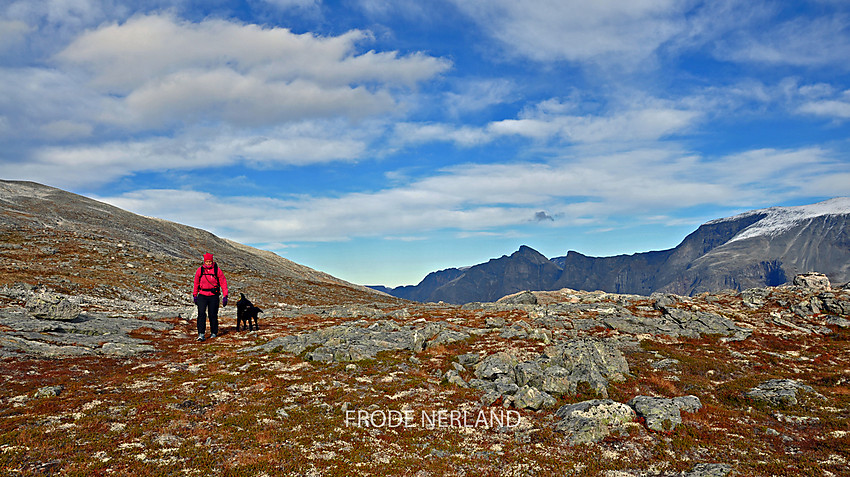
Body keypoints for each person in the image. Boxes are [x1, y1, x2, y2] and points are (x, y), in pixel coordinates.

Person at [192, 252, 228, 341]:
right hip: (202, 295)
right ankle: (201, 334)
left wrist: (225, 295)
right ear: (204, 262)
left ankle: (214, 332)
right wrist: (195, 295)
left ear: (212, 261)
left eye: (210, 262)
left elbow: (223, 282)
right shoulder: (200, 270)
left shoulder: (217, 270)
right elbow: (196, 283)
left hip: (214, 296)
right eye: (207, 262)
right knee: (201, 314)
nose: (208, 263)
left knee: (212, 314)